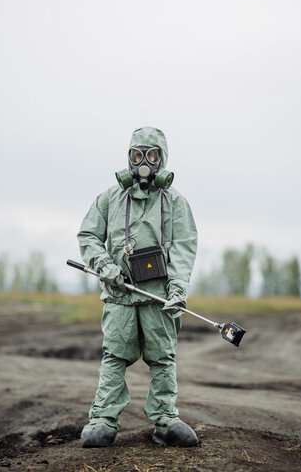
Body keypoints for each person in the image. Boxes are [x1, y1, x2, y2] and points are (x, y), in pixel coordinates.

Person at [77, 126, 198, 448]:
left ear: (162, 158)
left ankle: (165, 420)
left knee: (162, 358)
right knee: (115, 356)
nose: (144, 162)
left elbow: (185, 248)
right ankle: (103, 420)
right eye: (137, 154)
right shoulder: (109, 199)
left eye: (151, 155)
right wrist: (105, 265)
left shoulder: (175, 203)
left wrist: (177, 289)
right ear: (129, 157)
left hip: (158, 298)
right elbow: (88, 235)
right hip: (119, 296)